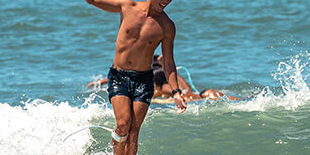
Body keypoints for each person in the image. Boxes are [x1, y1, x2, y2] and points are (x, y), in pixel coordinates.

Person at [65, 0, 186, 155]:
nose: (167, 1)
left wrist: (176, 91)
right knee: (123, 124)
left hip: (144, 80)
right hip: (119, 76)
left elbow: (168, 62)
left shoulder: (167, 26)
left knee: (134, 131)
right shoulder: (126, 7)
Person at [88, 54, 238, 102]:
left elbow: (123, 71)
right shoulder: (163, 72)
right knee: (238, 100)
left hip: (203, 95)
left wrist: (100, 82)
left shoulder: (161, 87)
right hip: (203, 93)